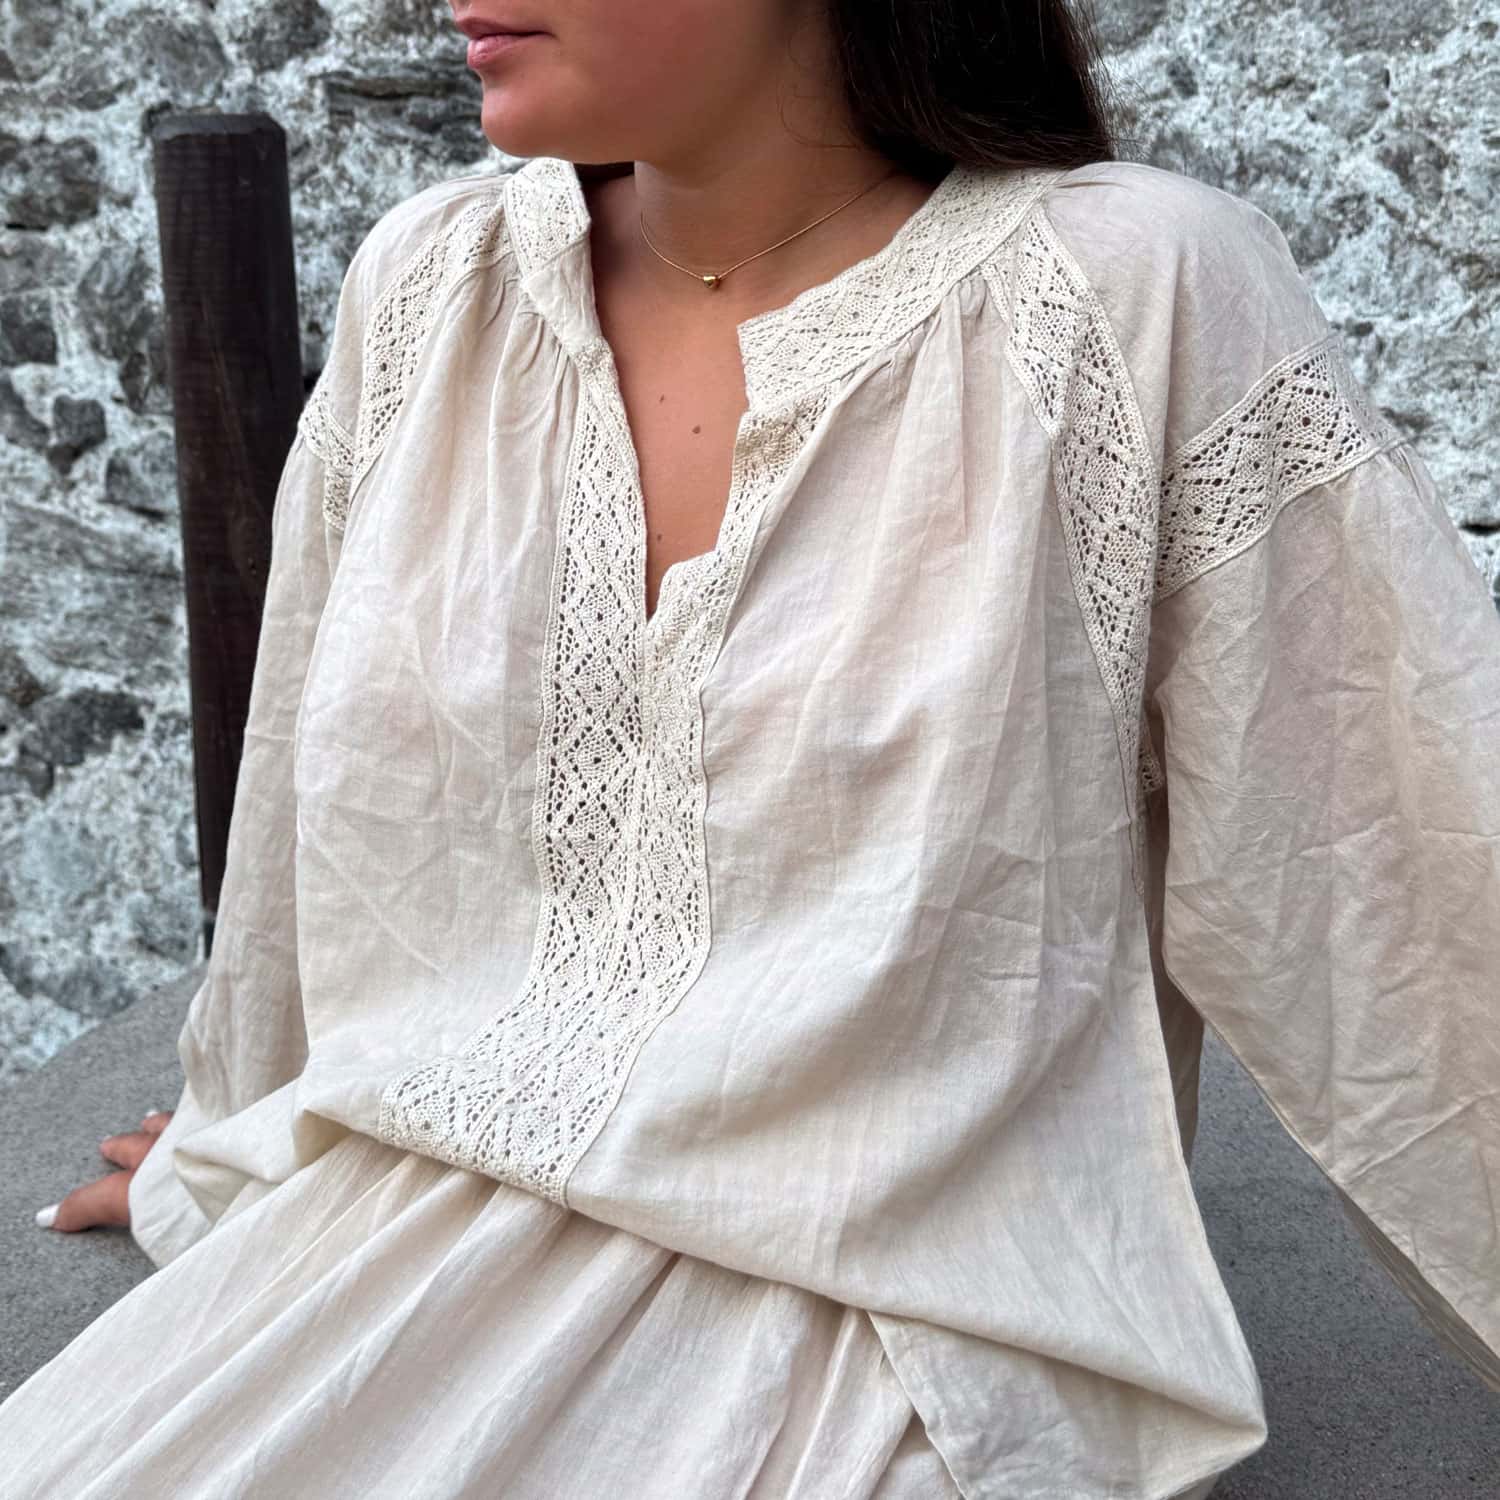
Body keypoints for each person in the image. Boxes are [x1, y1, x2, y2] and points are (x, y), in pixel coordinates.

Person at [3, 0, 1497, 1495]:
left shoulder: (1124, 298)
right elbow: (302, 790)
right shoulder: (434, 291)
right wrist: (236, 1133)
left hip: (911, 1330)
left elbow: (1405, 869)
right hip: (411, 1230)